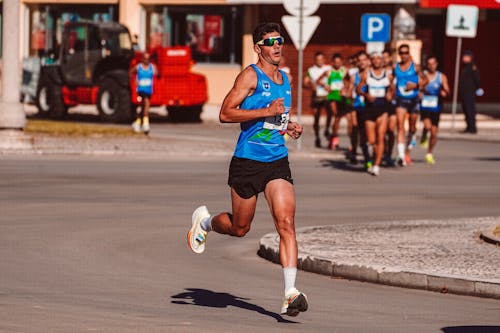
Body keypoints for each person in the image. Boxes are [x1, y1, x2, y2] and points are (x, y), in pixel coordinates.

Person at [187, 22, 308, 317]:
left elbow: (278, 119)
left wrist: (288, 126)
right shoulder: (249, 76)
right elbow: (225, 113)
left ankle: (290, 293)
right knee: (240, 228)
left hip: (277, 160)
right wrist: (266, 111)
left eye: (280, 40)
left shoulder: (285, 80)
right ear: (258, 48)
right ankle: (204, 223)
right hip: (247, 162)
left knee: (286, 223)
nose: (278, 46)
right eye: (270, 42)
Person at [357, 52, 392, 176]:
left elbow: (392, 89)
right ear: (371, 61)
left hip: (383, 109)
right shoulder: (367, 74)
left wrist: (390, 95)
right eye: (374, 59)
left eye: (379, 59)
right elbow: (358, 89)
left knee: (381, 136)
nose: (377, 61)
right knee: (371, 140)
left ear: (382, 61)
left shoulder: (388, 74)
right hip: (369, 109)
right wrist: (366, 95)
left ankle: (376, 165)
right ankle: (376, 156)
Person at [392, 44, 427, 166]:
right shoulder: (395, 67)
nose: (404, 55)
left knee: (412, 128)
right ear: (399, 54)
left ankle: (408, 151)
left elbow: (425, 80)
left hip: (413, 100)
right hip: (401, 100)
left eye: (406, 52)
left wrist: (416, 86)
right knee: (400, 127)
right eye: (401, 53)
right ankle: (401, 155)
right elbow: (391, 81)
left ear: (409, 53)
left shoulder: (416, 67)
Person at [419, 55, 450, 164]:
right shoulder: (423, 75)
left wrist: (444, 93)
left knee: (434, 133)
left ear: (436, 65)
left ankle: (429, 153)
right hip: (425, 105)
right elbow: (418, 87)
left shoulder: (441, 77)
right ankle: (423, 134)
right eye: (429, 64)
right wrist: (421, 93)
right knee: (427, 126)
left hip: (436, 106)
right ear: (427, 65)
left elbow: (447, 90)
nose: (431, 66)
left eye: (433, 64)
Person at [321, 53, 350, 149]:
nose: (337, 64)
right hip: (332, 96)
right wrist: (325, 86)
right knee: (336, 115)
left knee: (345, 118)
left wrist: (346, 89)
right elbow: (318, 80)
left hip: (342, 97)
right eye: (335, 62)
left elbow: (350, 81)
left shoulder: (345, 71)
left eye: (339, 62)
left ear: (341, 62)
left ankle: (335, 137)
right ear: (332, 62)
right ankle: (334, 138)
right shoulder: (329, 71)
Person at [304, 51, 332, 148]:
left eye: (321, 59)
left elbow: (336, 79)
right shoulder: (311, 70)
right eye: (317, 60)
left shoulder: (328, 68)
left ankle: (327, 129)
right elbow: (305, 83)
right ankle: (317, 137)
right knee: (316, 117)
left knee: (331, 112)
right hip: (316, 96)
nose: (319, 61)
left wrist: (331, 87)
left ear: (324, 60)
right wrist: (311, 86)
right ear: (315, 60)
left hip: (327, 96)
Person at [130, 52, 157, 134]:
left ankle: (137, 123)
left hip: (148, 90)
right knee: (146, 104)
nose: (147, 60)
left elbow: (157, 74)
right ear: (142, 59)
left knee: (142, 107)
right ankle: (146, 124)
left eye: (148, 58)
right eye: (145, 58)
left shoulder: (152, 67)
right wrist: (135, 80)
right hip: (141, 90)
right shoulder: (139, 67)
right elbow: (131, 72)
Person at [459, 50, 482, 134]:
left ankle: (472, 128)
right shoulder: (464, 67)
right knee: (465, 110)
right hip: (464, 92)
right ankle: (468, 127)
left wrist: (478, 88)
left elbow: (477, 79)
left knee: (470, 110)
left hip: (469, 92)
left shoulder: (472, 67)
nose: (463, 58)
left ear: (470, 58)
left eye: (465, 56)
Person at [382, 49, 397, 166]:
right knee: (382, 130)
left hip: (394, 104)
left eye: (386, 57)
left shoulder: (396, 71)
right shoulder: (378, 71)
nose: (384, 60)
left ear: (390, 58)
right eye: (382, 58)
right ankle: (382, 150)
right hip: (381, 104)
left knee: (391, 130)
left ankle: (389, 154)